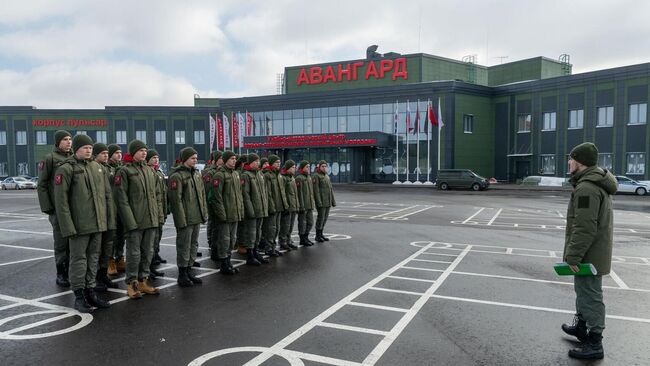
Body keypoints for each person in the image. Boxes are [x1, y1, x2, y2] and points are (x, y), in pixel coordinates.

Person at [561, 142, 617, 360]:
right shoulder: (593, 182)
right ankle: (581, 328)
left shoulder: (587, 188)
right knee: (584, 292)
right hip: (593, 252)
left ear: (580, 162)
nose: (569, 162)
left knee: (590, 295)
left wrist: (573, 256)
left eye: (571, 159)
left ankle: (595, 343)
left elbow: (584, 227)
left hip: (589, 254)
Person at [54, 135, 111, 312]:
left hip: (97, 224)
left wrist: (107, 221)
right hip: (79, 225)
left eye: (90, 147)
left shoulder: (97, 168)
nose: (88, 150)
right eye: (85, 147)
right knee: (79, 259)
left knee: (93, 258)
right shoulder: (66, 169)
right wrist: (68, 227)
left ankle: (90, 291)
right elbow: (61, 202)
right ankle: (79, 296)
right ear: (77, 148)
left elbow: (106, 196)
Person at [113, 139, 161, 299]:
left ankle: (143, 281)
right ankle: (132, 284)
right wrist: (130, 222)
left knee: (148, 252)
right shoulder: (124, 171)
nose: (144, 153)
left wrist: (157, 216)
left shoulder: (149, 170)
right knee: (134, 254)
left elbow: (156, 196)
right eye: (141, 150)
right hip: (135, 222)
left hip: (151, 220)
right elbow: (121, 200)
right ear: (133, 152)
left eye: (145, 151)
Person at [168, 147, 208, 287]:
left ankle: (189, 269)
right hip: (185, 218)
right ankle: (182, 273)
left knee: (193, 244)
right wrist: (181, 220)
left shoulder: (196, 174)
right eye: (192, 158)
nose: (195, 160)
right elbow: (176, 200)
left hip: (196, 216)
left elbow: (202, 195)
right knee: (184, 245)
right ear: (185, 159)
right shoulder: (177, 176)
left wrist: (203, 213)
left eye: (196, 158)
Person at [37, 130, 73, 287]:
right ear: (58, 142)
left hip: (73, 208)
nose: (69, 142)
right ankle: (61, 273)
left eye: (70, 139)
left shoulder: (73, 158)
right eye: (65, 139)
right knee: (61, 242)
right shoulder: (50, 158)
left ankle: (71, 272)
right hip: (57, 209)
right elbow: (42, 184)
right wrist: (48, 207)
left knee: (73, 242)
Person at [92, 143, 119, 292]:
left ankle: (103, 275)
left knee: (107, 245)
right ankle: (95, 278)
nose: (106, 155)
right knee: (96, 248)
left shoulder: (106, 169)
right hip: (98, 214)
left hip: (109, 212)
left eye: (106, 153)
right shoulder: (92, 169)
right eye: (102, 153)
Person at [213, 151, 244, 275]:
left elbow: (239, 195)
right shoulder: (220, 175)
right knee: (225, 240)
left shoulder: (236, 174)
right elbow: (217, 197)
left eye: (235, 158)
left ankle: (228, 261)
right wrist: (222, 214)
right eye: (231, 159)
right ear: (225, 160)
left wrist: (240, 210)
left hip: (234, 213)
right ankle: (224, 263)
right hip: (225, 214)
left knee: (232, 239)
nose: (234, 161)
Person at [240, 153, 269, 265]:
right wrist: (250, 211)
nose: (258, 163)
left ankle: (256, 252)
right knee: (251, 233)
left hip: (260, 209)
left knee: (258, 232)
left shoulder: (259, 174)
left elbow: (264, 193)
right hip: (252, 211)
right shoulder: (246, 175)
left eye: (258, 161)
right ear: (250, 163)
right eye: (255, 161)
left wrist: (264, 207)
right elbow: (245, 195)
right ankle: (250, 255)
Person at [146, 149, 167, 279]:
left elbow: (162, 193)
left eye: (157, 157)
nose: (156, 160)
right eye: (153, 157)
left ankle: (154, 258)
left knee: (157, 236)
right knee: (150, 242)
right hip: (152, 212)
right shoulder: (148, 172)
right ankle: (150, 266)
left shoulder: (158, 172)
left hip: (160, 209)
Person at [106, 144, 126, 276]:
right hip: (110, 207)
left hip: (121, 206)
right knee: (111, 237)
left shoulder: (123, 168)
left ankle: (119, 258)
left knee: (121, 235)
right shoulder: (105, 169)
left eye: (120, 152)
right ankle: (110, 260)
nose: (119, 155)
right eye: (116, 153)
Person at [261, 155, 284, 257]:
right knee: (270, 228)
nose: (278, 164)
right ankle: (268, 248)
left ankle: (273, 247)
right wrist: (271, 206)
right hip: (272, 207)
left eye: (279, 162)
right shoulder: (267, 175)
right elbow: (268, 193)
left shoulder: (278, 175)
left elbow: (282, 192)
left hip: (279, 206)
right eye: (276, 162)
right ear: (271, 163)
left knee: (277, 228)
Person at [202, 151, 223, 261]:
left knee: (219, 228)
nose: (223, 159)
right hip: (212, 202)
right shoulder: (210, 172)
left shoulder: (222, 171)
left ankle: (218, 247)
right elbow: (208, 189)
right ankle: (212, 244)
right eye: (221, 158)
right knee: (214, 225)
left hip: (220, 203)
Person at [313, 160, 336, 242]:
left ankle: (321, 234)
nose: (324, 168)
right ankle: (317, 235)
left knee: (325, 218)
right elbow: (316, 191)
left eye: (325, 166)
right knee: (321, 218)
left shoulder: (326, 176)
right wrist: (318, 202)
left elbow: (331, 189)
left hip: (327, 201)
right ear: (319, 167)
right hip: (322, 201)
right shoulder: (316, 176)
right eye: (322, 166)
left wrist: (333, 201)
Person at [278, 160, 298, 250]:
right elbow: (282, 193)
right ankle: (283, 241)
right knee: (285, 225)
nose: (294, 169)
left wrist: (297, 205)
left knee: (290, 225)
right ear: (287, 168)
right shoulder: (283, 178)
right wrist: (285, 206)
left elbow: (295, 194)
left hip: (293, 205)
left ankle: (288, 240)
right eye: (292, 168)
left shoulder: (292, 178)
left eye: (295, 167)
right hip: (287, 206)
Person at [295, 160, 315, 246]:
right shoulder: (299, 178)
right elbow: (300, 194)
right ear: (302, 168)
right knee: (302, 223)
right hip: (303, 206)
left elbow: (311, 193)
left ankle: (306, 236)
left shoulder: (309, 177)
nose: (309, 168)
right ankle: (302, 239)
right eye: (307, 167)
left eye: (309, 167)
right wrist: (301, 206)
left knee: (310, 222)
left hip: (309, 205)